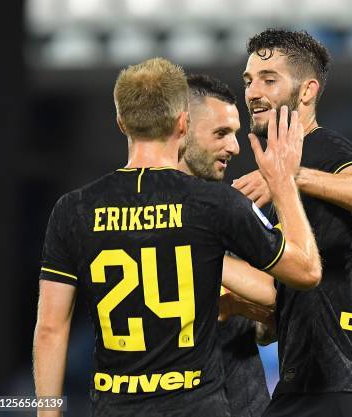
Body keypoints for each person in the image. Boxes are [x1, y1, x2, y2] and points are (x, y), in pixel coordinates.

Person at [32, 57, 322, 417]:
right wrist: (282, 183)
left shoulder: (72, 209)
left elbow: (49, 329)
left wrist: (47, 414)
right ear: (183, 123)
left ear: (121, 122)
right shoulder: (213, 203)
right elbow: (306, 272)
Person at [231, 29, 352, 417]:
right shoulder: (285, 173)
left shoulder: (321, 148)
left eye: (269, 80)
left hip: (330, 387)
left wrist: (290, 176)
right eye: (249, 80)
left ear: (306, 92)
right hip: (323, 385)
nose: (253, 91)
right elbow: (278, 313)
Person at [177, 73, 270, 417]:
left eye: (234, 133)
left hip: (243, 401)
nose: (235, 147)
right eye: (221, 133)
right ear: (181, 129)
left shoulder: (237, 206)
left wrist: (240, 309)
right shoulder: (228, 209)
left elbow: (281, 305)